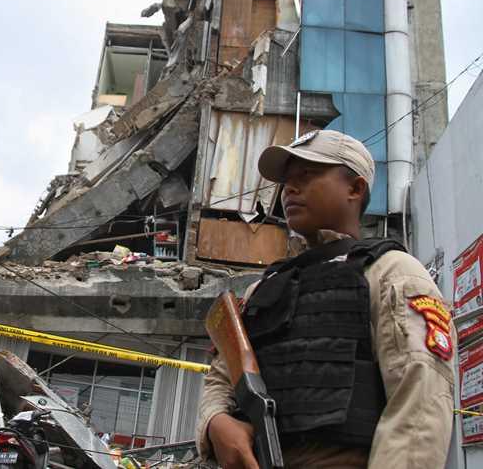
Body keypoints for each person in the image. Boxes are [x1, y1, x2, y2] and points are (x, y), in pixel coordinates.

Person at [195, 130, 455, 468]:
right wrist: (216, 421)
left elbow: (419, 405)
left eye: (307, 174)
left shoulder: (392, 273)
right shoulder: (263, 288)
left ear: (355, 188)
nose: (289, 187)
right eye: (287, 180)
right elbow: (221, 376)